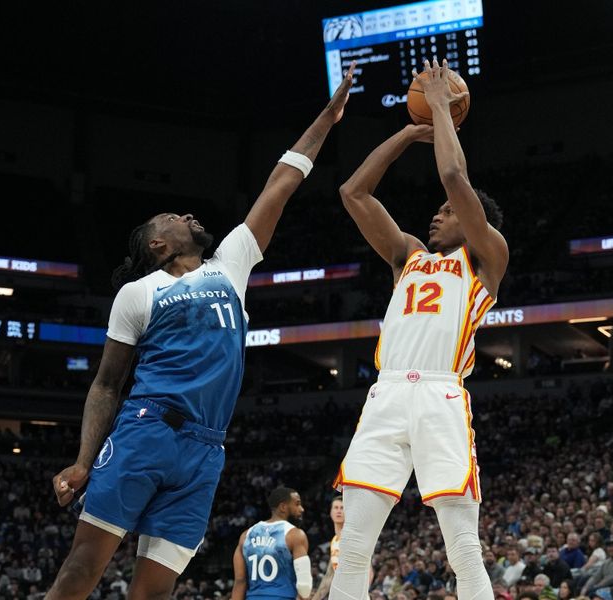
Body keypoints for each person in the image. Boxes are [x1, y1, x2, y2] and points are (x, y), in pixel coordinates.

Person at [44, 63, 358, 599]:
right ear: (158, 247)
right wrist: (81, 459)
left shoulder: (228, 264)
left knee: (154, 593)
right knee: (81, 570)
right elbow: (105, 385)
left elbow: (281, 184)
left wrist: (328, 118)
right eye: (171, 217)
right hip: (146, 432)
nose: (186, 215)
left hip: (205, 451)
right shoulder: (138, 294)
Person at [329, 58, 509, 600]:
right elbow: (352, 194)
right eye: (436, 212)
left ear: (475, 218)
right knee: (355, 546)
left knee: (462, 547)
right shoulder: (407, 255)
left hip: (440, 394)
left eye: (447, 214)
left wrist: (439, 109)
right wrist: (408, 134)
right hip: (385, 394)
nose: (437, 216)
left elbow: (454, 178)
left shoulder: (485, 257)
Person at [231, 487, 311, 600]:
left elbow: (240, 581)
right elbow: (304, 585)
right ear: (283, 507)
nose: (301, 509)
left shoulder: (246, 535)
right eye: (297, 504)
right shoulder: (295, 535)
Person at [312, 496, 346, 600]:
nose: (339, 511)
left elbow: (369, 572)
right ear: (330, 512)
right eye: (336, 507)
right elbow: (329, 577)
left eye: (342, 508)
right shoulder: (335, 541)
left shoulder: (352, 538)